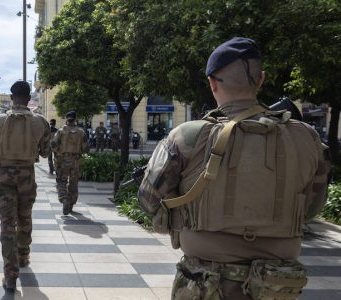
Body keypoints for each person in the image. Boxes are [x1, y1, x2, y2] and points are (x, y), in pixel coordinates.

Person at [138, 37, 330, 300]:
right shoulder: (308, 138)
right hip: (276, 285)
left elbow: (148, 201)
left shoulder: (187, 136)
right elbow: (312, 209)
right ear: (260, 80)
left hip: (205, 282)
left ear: (212, 82)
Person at [0, 80, 51, 293]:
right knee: (25, 218)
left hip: (5, 176)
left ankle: (10, 275)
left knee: (6, 223)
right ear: (29, 99)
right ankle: (23, 257)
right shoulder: (41, 122)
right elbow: (46, 153)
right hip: (27, 177)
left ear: (12, 98)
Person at [51, 111, 89, 215]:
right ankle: (71, 205)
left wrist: (58, 152)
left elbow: (53, 145)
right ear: (75, 119)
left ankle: (64, 199)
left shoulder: (61, 131)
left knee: (61, 181)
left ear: (66, 118)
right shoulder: (81, 132)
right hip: (76, 160)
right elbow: (86, 148)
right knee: (73, 183)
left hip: (63, 160)